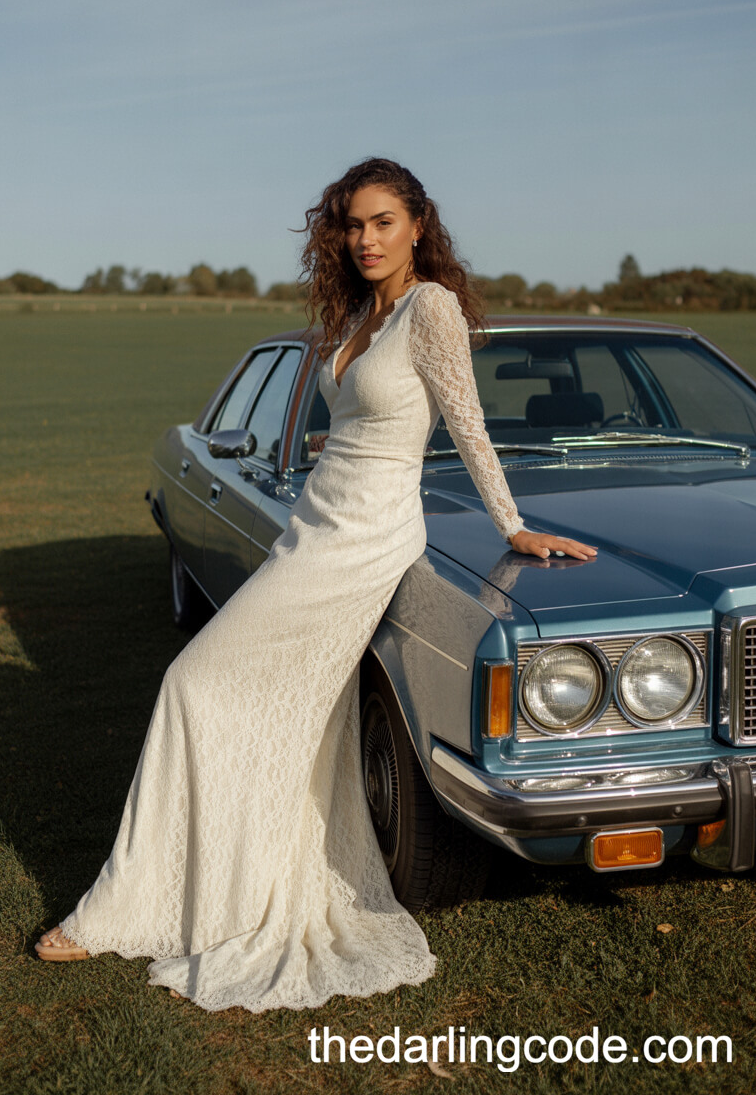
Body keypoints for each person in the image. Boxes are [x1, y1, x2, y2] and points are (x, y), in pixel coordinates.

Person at [34, 158, 596, 1011]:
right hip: (314, 526)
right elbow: (357, 429)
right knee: (280, 713)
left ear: (417, 226)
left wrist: (512, 526)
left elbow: (466, 423)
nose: (364, 239)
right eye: (351, 224)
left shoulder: (431, 308)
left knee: (193, 683)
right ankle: (221, 886)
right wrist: (320, 478)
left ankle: (126, 907)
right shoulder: (359, 312)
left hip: (366, 541)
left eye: (382, 222)